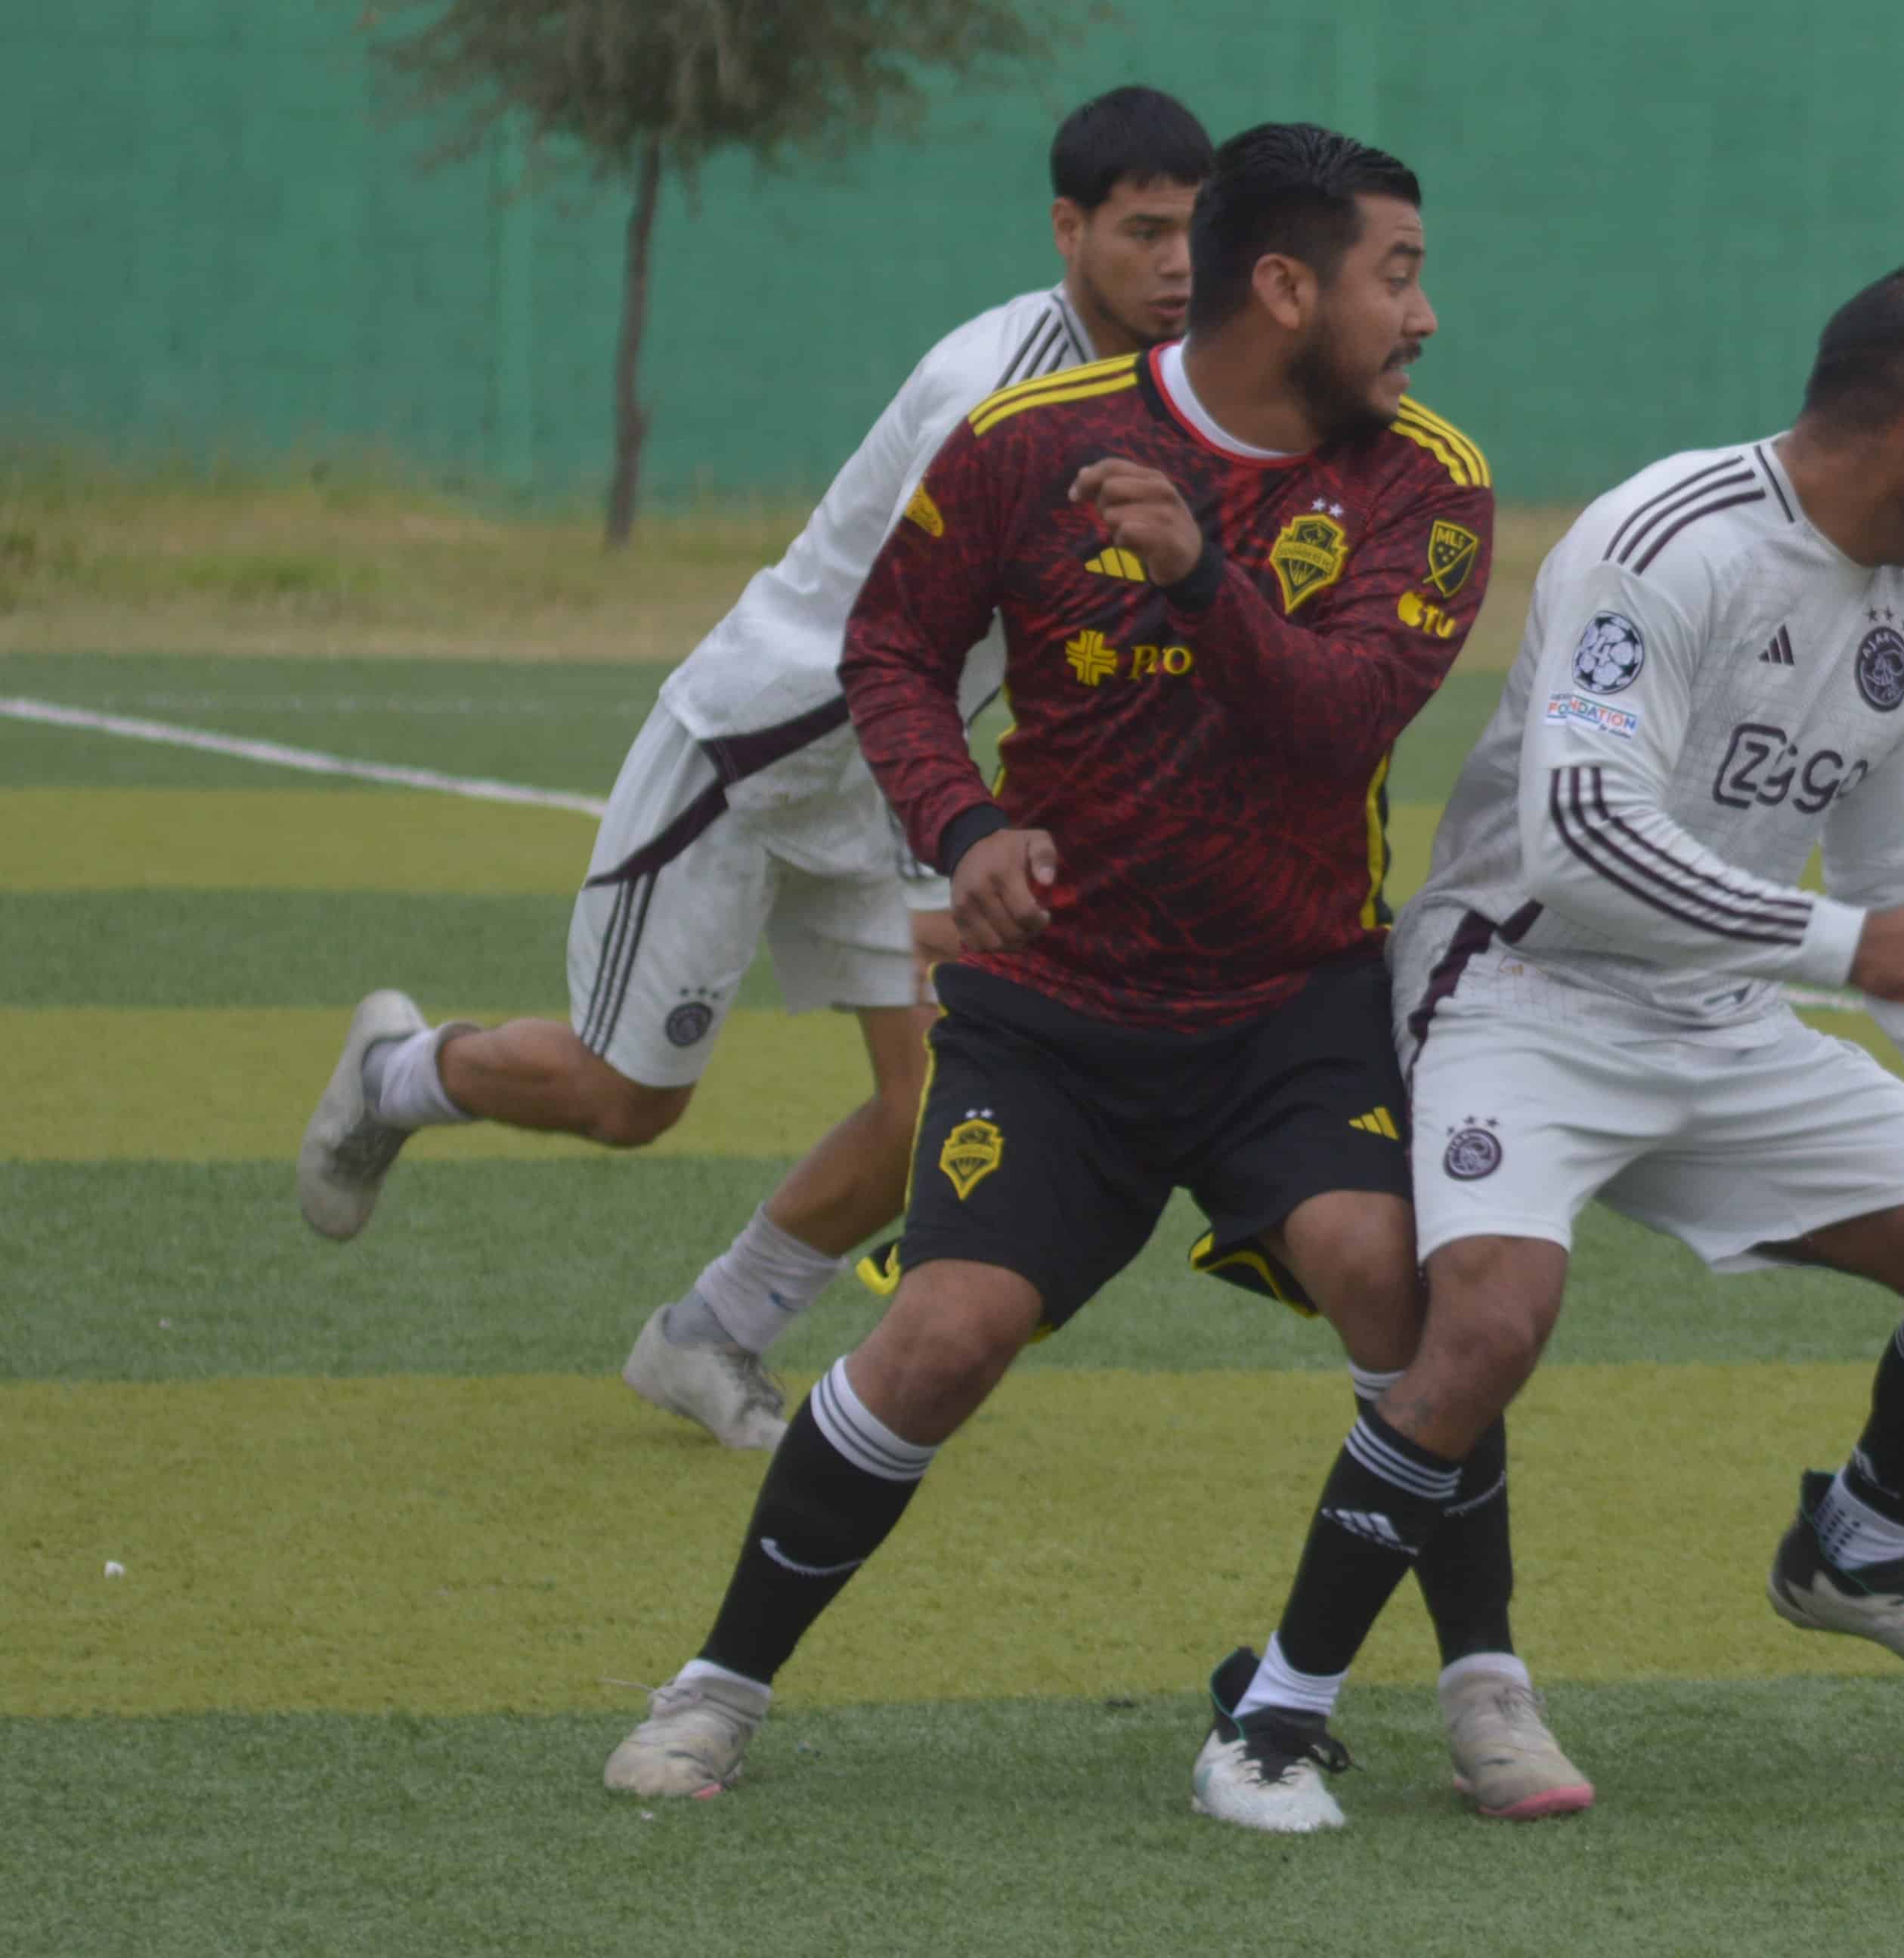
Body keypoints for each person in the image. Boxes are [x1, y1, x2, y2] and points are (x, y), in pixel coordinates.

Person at [598, 122, 1592, 1830]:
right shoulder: (1026, 442)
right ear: (1286, 287)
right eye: (1397, 274)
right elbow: (890, 647)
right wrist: (957, 820)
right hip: (1057, 1016)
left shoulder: (1428, 480)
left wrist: (1202, 572)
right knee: (943, 1338)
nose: (1423, 316)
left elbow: (1343, 721)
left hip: (1294, 1004)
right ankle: (716, 1690)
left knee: (1401, 1289)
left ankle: (1486, 1685)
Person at [1214, 261, 1904, 1830]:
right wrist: (1844, 945)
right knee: (1485, 1323)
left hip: (1722, 1016)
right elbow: (1578, 840)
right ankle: (1275, 1715)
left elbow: (1903, 891)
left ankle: (1859, 1553)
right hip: (1518, 995)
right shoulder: (1662, 538)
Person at [295, 88, 1209, 1449]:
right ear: (1068, 229)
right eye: (1144, 233)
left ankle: (709, 1334)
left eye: (1195, 232)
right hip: (750, 758)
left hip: (892, 787)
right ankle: (400, 1075)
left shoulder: (1151, 389)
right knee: (628, 1104)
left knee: (932, 1108)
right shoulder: (993, 395)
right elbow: (931, 637)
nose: (1177, 265)